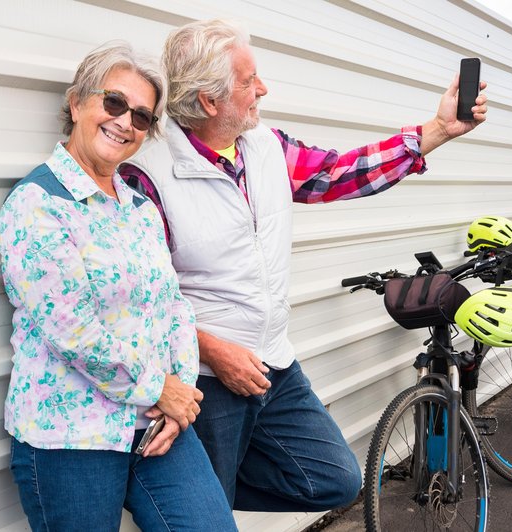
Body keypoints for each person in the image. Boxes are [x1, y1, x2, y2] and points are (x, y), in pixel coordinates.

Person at [121, 19, 488, 512]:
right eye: (249, 82)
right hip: (208, 380)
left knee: (334, 480)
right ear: (210, 101)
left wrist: (438, 131)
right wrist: (213, 350)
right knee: (206, 513)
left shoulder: (265, 146)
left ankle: (204, 488)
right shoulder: (149, 175)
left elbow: (339, 172)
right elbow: (144, 300)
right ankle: (196, 494)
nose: (263, 89)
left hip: (274, 363)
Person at [0, 42, 238, 531]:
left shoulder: (138, 208)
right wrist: (160, 388)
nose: (126, 121)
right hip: (70, 438)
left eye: (143, 116)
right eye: (114, 103)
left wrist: (180, 395)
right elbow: (73, 333)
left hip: (155, 425)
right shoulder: (37, 205)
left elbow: (174, 307)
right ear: (76, 103)